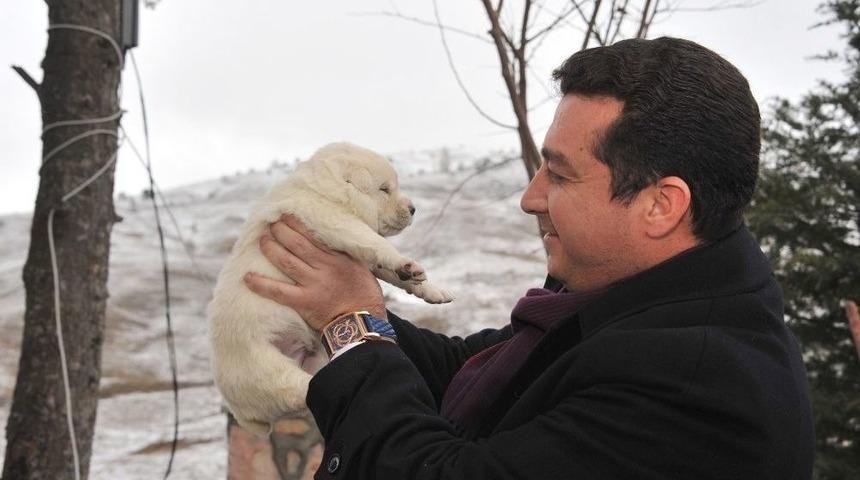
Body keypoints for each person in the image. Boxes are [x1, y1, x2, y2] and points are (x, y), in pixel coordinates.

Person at [244, 37, 815, 479]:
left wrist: (351, 325)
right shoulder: (628, 300)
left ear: (660, 205)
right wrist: (334, 297)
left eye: (560, 174)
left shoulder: (694, 388)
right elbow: (470, 369)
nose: (530, 198)